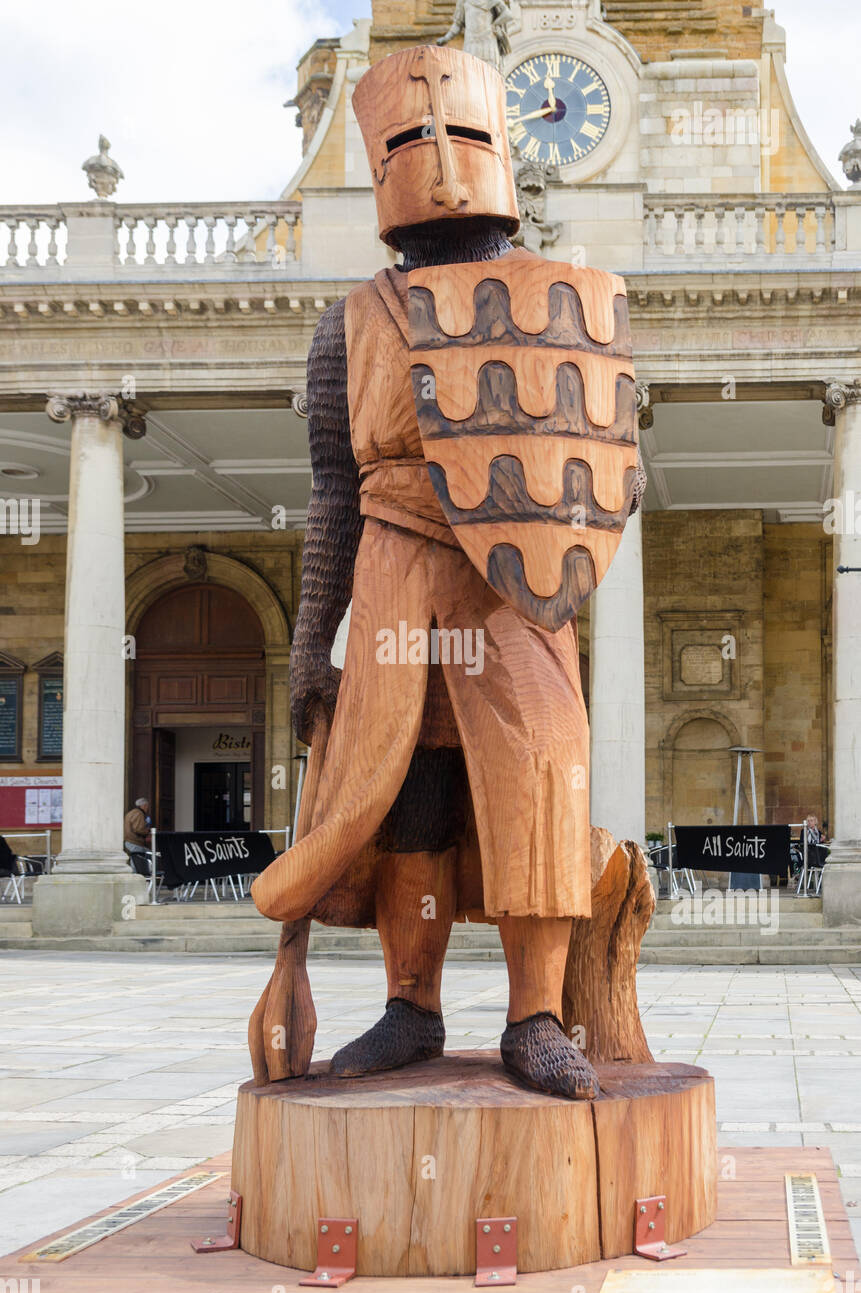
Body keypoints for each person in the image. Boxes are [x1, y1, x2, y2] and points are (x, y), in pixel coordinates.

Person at [251, 43, 643, 1099]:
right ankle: (411, 1006)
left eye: (461, 132)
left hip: (514, 595)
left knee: (539, 786)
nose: (439, 156)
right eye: (414, 138)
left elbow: (602, 469)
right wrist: (308, 645)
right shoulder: (344, 327)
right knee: (409, 801)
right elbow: (335, 497)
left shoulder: (561, 302)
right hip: (392, 590)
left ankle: (537, 1015)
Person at [124, 797, 152, 865]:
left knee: (134, 861)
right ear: (144, 806)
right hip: (134, 842)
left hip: (129, 841)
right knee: (138, 863)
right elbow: (138, 829)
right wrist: (148, 831)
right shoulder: (139, 813)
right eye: (147, 806)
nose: (147, 808)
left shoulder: (131, 813)